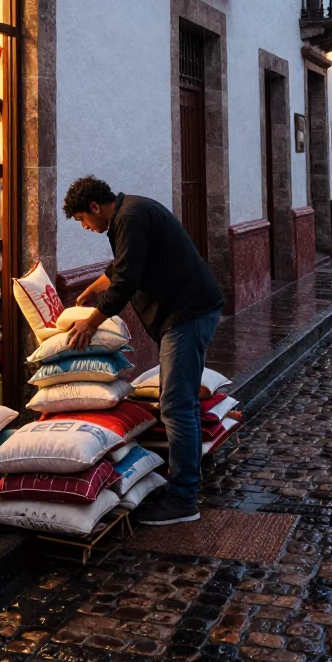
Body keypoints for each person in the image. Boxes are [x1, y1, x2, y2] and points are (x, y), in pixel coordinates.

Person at [62, 175, 224, 526]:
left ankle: (183, 499)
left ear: (94, 207)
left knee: (176, 406)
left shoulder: (130, 218)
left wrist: (91, 322)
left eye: (82, 220)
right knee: (181, 403)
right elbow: (124, 267)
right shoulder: (130, 212)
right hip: (190, 311)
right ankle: (187, 483)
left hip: (186, 314)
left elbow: (126, 280)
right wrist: (93, 289)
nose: (85, 227)